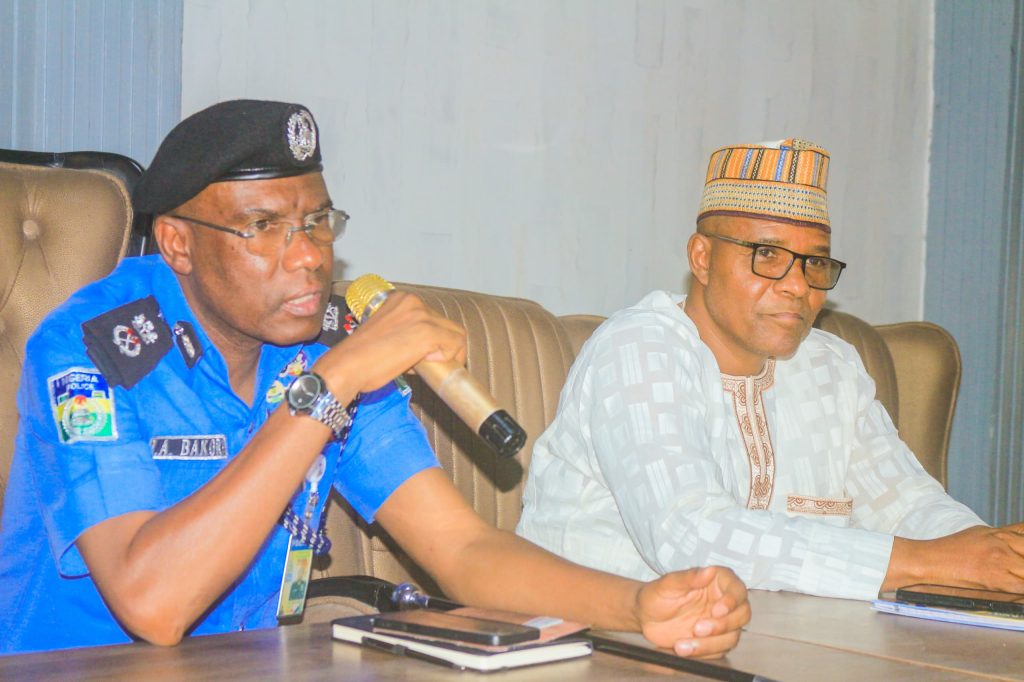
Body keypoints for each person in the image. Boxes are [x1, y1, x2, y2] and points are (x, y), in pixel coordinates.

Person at [0, 100, 748, 656]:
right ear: (177, 244)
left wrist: (639, 605)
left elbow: (462, 550)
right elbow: (153, 605)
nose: (308, 256)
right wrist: (331, 385)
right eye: (263, 227)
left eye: (317, 222)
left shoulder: (327, 346)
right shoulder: (91, 349)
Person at [517, 138, 1024, 601]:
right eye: (767, 254)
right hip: (601, 640)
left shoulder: (830, 366)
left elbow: (906, 504)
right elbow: (689, 536)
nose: (797, 285)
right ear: (701, 258)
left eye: (814, 263)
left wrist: (993, 552)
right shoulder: (638, 349)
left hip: (775, 642)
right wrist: (934, 561)